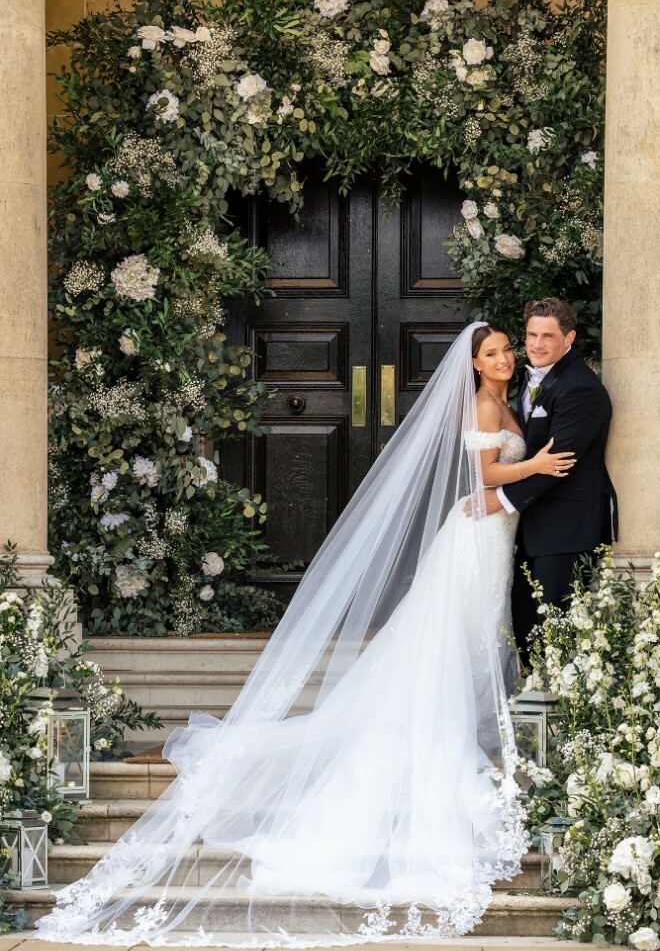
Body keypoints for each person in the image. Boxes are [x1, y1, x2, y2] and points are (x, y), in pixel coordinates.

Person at [36, 322, 570, 948]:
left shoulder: (509, 400)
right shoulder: (483, 402)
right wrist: (532, 464)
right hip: (474, 541)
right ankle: (438, 733)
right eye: (494, 352)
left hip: (494, 540)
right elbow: (479, 476)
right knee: (454, 643)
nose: (505, 359)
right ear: (473, 364)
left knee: (475, 642)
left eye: (508, 350)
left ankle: (465, 728)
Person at [479, 298, 617, 664]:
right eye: (531, 335)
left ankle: (554, 715)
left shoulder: (580, 388)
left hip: (564, 527)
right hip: (531, 523)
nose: (537, 344)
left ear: (569, 338)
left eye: (548, 336)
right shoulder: (525, 380)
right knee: (526, 626)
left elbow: (561, 464)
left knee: (551, 631)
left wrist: (504, 498)